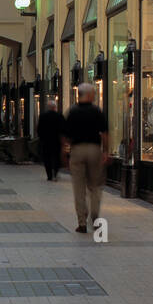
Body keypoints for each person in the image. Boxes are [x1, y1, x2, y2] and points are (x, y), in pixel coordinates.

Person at [60, 81, 109, 234]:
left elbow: (64, 136)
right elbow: (105, 134)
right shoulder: (97, 111)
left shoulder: (72, 112)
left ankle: (82, 222)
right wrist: (105, 151)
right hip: (94, 149)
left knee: (78, 188)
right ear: (88, 95)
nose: (94, 95)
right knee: (95, 186)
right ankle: (95, 217)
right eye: (93, 93)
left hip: (77, 150)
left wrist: (65, 153)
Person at [36, 93, 62, 181]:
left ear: (48, 107)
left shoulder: (43, 116)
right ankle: (55, 172)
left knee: (47, 158)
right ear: (55, 107)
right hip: (56, 141)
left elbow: (39, 129)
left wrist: (41, 138)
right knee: (56, 157)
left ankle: (49, 175)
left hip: (46, 141)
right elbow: (63, 128)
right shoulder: (59, 116)